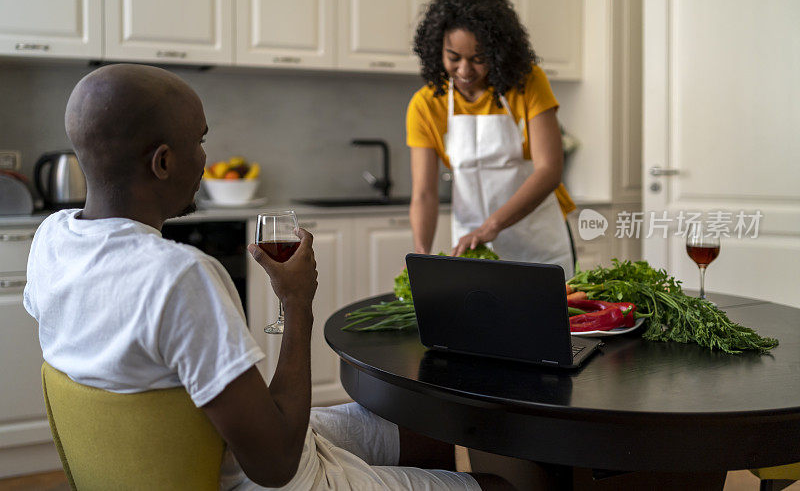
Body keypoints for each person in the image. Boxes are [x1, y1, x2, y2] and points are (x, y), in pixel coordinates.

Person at [23, 64, 512, 490]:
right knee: (497, 486)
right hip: (264, 479)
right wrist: (297, 302)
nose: (206, 158)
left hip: (202, 447)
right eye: (200, 140)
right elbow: (276, 464)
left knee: (422, 428)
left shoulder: (52, 239)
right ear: (164, 162)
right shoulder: (178, 276)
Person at [407, 0, 575, 277]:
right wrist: (421, 256)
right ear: (437, 50)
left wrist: (491, 227)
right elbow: (424, 193)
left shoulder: (527, 83)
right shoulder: (425, 105)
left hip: (539, 242)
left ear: (498, 52)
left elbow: (549, 170)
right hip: (474, 247)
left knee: (544, 323)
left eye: (478, 59)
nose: (465, 71)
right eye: (453, 57)